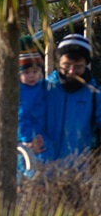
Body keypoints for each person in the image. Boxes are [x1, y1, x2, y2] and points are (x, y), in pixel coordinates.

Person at [21, 34, 99, 169]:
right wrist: (27, 139)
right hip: (41, 167)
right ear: (58, 62)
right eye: (66, 65)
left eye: (78, 66)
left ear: (86, 64)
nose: (71, 71)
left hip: (77, 171)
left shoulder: (94, 94)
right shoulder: (43, 88)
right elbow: (22, 115)